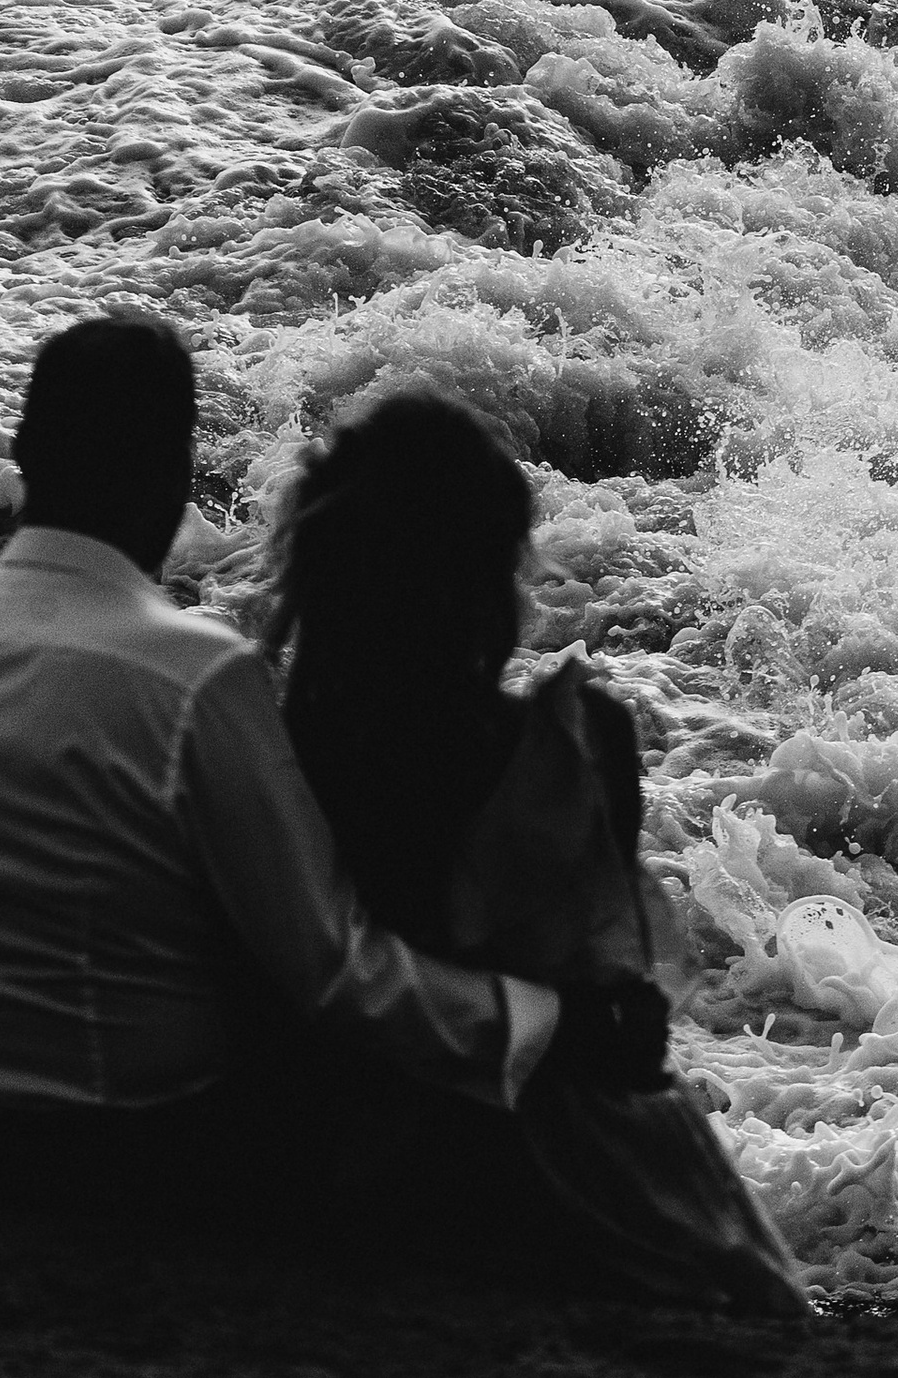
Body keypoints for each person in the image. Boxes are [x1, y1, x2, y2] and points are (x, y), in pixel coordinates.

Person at [0, 314, 663, 1220]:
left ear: (22, 454)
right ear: (175, 474)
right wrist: (548, 1021)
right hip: (107, 1163)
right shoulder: (195, 677)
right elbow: (333, 973)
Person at [271, 383, 810, 1316]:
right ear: (492, 574)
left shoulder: (277, 745)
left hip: (331, 1140)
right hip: (530, 1154)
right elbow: (621, 1018)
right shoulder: (569, 747)